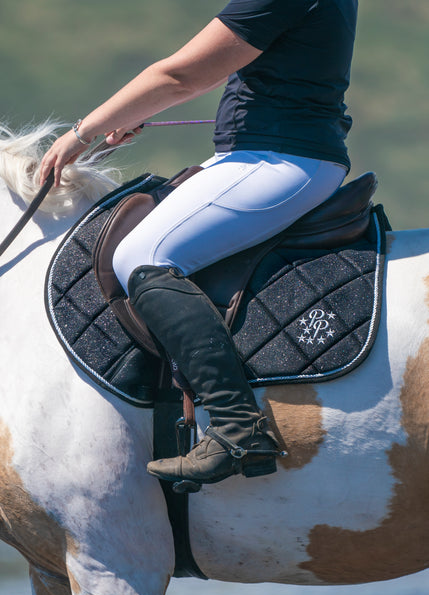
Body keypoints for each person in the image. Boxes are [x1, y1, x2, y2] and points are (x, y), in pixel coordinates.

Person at [40, 0, 358, 487]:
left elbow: (182, 77)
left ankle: (237, 428)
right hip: (264, 152)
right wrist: (126, 116)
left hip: (280, 158)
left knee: (142, 256)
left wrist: (82, 133)